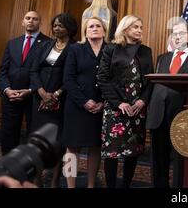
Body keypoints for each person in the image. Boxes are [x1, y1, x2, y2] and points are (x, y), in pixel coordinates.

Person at [97, 15, 153, 188]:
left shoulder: (146, 51)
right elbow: (102, 78)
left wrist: (142, 101)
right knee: (111, 153)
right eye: (135, 27)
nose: (139, 30)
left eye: (141, 27)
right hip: (115, 108)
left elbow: (150, 80)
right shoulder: (111, 49)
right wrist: (119, 103)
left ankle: (126, 185)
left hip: (137, 109)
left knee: (133, 152)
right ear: (125, 29)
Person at [145, 19, 188, 188]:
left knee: (180, 158)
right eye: (174, 34)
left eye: (181, 33)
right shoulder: (163, 57)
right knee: (158, 158)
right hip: (158, 113)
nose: (177, 37)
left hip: (181, 114)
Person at [30, 12, 78, 187]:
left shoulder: (75, 47)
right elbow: (33, 71)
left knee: (57, 143)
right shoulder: (44, 45)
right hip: (40, 99)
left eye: (61, 25)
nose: (57, 28)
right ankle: (37, 177)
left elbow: (73, 76)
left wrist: (57, 94)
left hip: (62, 101)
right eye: (55, 25)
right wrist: (42, 92)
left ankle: (56, 180)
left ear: (70, 28)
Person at [62, 17, 107, 188]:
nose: (94, 28)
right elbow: (68, 79)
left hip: (101, 107)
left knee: (95, 147)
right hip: (77, 106)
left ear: (104, 30)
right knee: (72, 148)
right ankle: (70, 185)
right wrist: (84, 101)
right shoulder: (75, 49)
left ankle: (90, 185)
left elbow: (114, 79)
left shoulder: (110, 50)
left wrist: (102, 102)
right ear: (85, 31)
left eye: (98, 26)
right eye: (90, 26)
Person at [0, 11, 50, 155]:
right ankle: (7, 165)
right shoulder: (12, 43)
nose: (31, 21)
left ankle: (30, 166)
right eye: (28, 18)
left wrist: (30, 90)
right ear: (23, 22)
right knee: (9, 133)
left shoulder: (48, 43)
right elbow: (3, 71)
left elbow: (46, 73)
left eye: (35, 19)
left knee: (33, 134)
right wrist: (7, 90)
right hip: (11, 96)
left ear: (40, 23)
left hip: (33, 96)